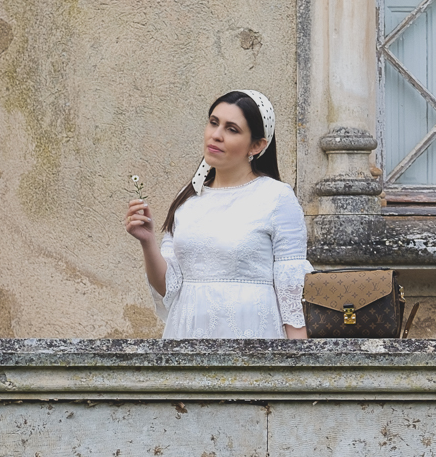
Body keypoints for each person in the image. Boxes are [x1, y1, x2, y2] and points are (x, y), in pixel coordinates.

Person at [123, 89, 312, 339]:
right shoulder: (188, 197)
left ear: (256, 145)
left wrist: (296, 366)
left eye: (232, 129)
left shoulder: (276, 197)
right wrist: (147, 242)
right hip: (187, 334)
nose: (216, 135)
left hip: (253, 336)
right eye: (213, 123)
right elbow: (169, 287)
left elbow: (292, 296)